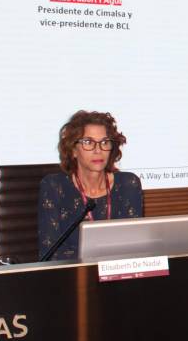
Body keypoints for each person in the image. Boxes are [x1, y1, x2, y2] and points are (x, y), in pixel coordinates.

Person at [38, 111, 143, 260]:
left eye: (104, 142)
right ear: (73, 150)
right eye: (88, 142)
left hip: (118, 277)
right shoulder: (54, 187)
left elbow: (135, 248)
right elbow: (50, 254)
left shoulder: (128, 184)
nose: (98, 150)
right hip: (72, 278)